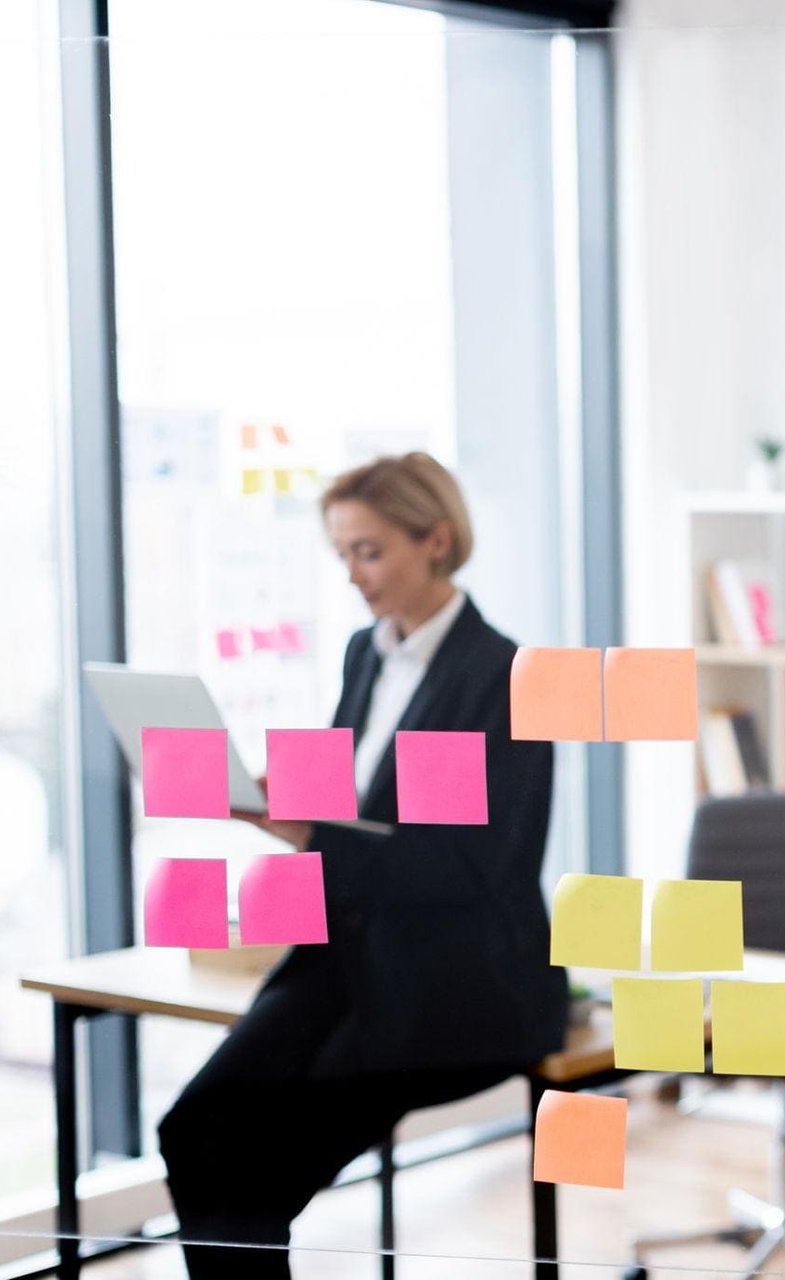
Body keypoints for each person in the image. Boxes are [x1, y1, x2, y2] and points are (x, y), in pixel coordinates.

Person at [158, 452, 566, 1278]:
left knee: (252, 1176)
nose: (352, 575)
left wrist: (314, 835)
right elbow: (362, 810)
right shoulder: (365, 654)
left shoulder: (504, 678)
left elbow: (468, 867)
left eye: (369, 551)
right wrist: (283, 804)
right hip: (350, 959)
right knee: (191, 1129)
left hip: (454, 981)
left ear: (437, 541)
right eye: (342, 553)